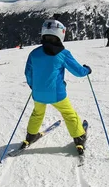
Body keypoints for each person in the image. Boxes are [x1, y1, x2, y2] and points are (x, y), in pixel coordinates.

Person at [22, 19, 92, 154]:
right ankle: (79, 137)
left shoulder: (34, 53)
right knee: (68, 114)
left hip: (38, 93)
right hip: (57, 93)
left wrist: (33, 86)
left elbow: (28, 73)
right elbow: (78, 72)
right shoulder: (63, 54)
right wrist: (87, 70)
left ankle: (31, 136)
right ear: (61, 34)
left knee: (37, 113)